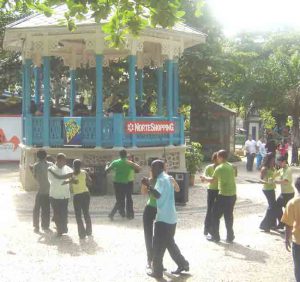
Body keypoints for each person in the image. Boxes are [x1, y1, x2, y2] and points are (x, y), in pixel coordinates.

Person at [144, 160, 189, 279]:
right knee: (170, 243)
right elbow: (176, 189)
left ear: (156, 169)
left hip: (163, 218)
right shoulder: (169, 178)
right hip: (171, 217)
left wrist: (148, 185)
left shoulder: (161, 179)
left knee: (158, 246)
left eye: (152, 168)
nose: (152, 170)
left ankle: (157, 272)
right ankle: (183, 264)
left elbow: (157, 194)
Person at [141, 158, 180, 269]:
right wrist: (145, 185)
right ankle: (150, 259)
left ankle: (157, 261)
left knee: (159, 237)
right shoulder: (151, 179)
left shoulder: (167, 179)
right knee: (148, 235)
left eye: (166, 167)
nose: (166, 169)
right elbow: (143, 193)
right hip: (150, 208)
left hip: (161, 210)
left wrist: (174, 182)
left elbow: (177, 189)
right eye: (164, 167)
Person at [201, 149, 237, 243]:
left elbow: (212, 180)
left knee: (214, 216)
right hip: (233, 195)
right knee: (228, 216)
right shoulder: (231, 166)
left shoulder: (219, 168)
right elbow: (235, 174)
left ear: (220, 157)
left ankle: (215, 236)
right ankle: (230, 237)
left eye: (217, 157)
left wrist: (204, 178)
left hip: (224, 195)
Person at [105, 150, 141, 220]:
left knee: (119, 200)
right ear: (126, 155)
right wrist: (133, 166)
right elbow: (139, 168)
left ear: (120, 155)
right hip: (125, 183)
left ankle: (116, 213)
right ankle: (121, 214)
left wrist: (106, 165)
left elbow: (107, 170)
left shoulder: (115, 162)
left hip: (116, 183)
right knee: (125, 199)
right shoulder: (129, 163)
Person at [62, 159, 93, 239]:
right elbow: (90, 183)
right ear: (81, 165)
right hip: (86, 194)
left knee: (78, 215)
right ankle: (89, 232)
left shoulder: (71, 174)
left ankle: (82, 234)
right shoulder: (84, 172)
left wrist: (69, 182)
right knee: (86, 213)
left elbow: (67, 183)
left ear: (73, 166)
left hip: (77, 196)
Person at [48, 153, 73, 237]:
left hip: (65, 195)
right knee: (57, 213)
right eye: (63, 160)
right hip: (54, 195)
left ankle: (64, 227)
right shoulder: (51, 169)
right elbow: (56, 181)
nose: (65, 162)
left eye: (65, 160)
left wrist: (70, 180)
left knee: (64, 212)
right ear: (58, 160)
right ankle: (59, 229)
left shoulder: (68, 168)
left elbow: (73, 178)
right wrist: (68, 180)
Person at [281, 177, 300, 282]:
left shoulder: (292, 203)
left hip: (298, 241)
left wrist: (286, 239)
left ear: (296, 188)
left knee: (298, 267)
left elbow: (288, 225)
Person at [30, 149, 53, 233]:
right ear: (46, 156)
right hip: (49, 190)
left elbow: (35, 177)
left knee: (36, 209)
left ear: (37, 157)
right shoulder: (51, 165)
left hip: (40, 190)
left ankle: (36, 225)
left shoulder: (36, 165)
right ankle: (45, 225)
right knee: (46, 209)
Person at [274, 156, 295, 229]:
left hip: (289, 194)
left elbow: (286, 181)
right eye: (278, 163)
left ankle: (287, 225)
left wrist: (276, 182)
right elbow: (275, 174)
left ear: (284, 161)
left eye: (280, 163)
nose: (279, 164)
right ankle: (282, 223)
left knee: (288, 210)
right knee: (277, 206)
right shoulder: (281, 169)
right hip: (284, 193)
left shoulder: (288, 170)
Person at [202, 152, 218, 236]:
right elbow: (203, 177)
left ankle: (213, 229)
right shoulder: (209, 167)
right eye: (217, 159)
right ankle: (207, 228)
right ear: (214, 159)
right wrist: (207, 179)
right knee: (210, 210)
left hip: (220, 190)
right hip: (212, 190)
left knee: (216, 211)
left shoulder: (221, 167)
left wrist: (207, 179)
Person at [259, 152, 277, 232]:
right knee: (272, 207)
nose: (274, 160)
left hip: (272, 188)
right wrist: (266, 182)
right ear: (270, 159)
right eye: (273, 158)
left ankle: (272, 224)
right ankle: (264, 225)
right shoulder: (264, 168)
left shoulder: (272, 167)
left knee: (273, 207)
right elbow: (260, 180)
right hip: (267, 189)